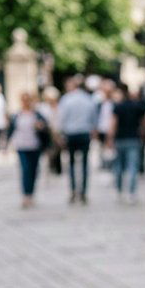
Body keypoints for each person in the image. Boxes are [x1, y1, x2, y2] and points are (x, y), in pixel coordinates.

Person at [57, 75, 99, 203]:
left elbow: (62, 119)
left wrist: (60, 134)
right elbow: (94, 118)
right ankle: (84, 192)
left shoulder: (66, 99)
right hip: (84, 133)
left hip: (71, 134)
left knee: (71, 164)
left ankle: (74, 190)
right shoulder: (88, 99)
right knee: (85, 164)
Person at [7, 91, 50, 207]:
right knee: (25, 169)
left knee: (34, 170)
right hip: (21, 146)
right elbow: (11, 130)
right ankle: (26, 195)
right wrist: (7, 145)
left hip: (34, 146)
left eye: (28, 100)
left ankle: (31, 193)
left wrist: (41, 127)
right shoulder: (17, 115)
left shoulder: (37, 115)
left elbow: (46, 130)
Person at [109, 83, 145, 203]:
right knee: (132, 167)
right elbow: (144, 122)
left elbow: (113, 124)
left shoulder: (118, 107)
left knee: (119, 166)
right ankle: (131, 192)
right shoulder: (136, 106)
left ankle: (119, 191)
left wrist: (110, 139)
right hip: (133, 138)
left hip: (120, 139)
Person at [0, 85, 7, 150]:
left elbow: (4, 110)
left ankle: (2, 147)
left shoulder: (1, 97)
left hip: (0, 121)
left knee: (1, 135)